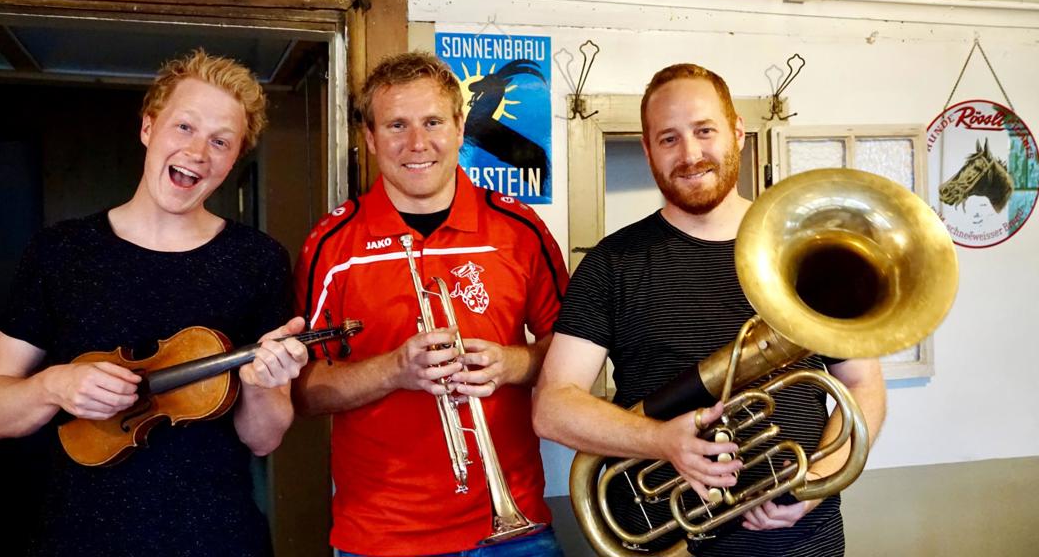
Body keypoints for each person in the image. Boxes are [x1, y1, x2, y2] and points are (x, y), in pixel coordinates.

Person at [532, 63, 887, 556]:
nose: (691, 154)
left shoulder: (807, 252)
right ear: (648, 148)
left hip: (805, 543)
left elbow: (862, 386)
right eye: (669, 138)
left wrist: (817, 483)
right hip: (665, 541)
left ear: (737, 132)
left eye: (704, 131)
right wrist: (661, 441)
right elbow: (553, 407)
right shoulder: (612, 263)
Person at [0, 49, 309, 557]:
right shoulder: (61, 251)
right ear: (148, 128)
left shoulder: (258, 260)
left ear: (235, 158)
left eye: (221, 141)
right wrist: (52, 385)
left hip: (217, 537)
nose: (198, 152)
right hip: (80, 536)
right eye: (184, 127)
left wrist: (261, 385)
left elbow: (264, 439)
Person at [292, 51, 568, 556]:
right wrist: (395, 370)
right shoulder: (330, 246)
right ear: (371, 139)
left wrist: (512, 361)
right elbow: (302, 391)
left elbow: (571, 351)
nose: (417, 144)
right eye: (396, 125)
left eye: (433, 122)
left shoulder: (520, 231)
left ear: (460, 127)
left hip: (517, 527)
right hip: (381, 536)